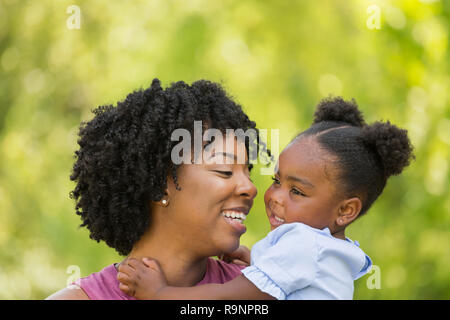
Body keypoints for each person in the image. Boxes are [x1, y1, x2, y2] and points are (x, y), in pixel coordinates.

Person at [116, 97, 414, 300]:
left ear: (346, 210)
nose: (273, 196)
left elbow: (228, 298)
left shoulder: (305, 245)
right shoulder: (326, 250)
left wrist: (160, 294)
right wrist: (255, 259)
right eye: (276, 180)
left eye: (297, 191)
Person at [46, 78, 269, 299]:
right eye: (224, 170)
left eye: (247, 171)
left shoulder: (260, 294)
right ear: (160, 185)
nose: (250, 187)